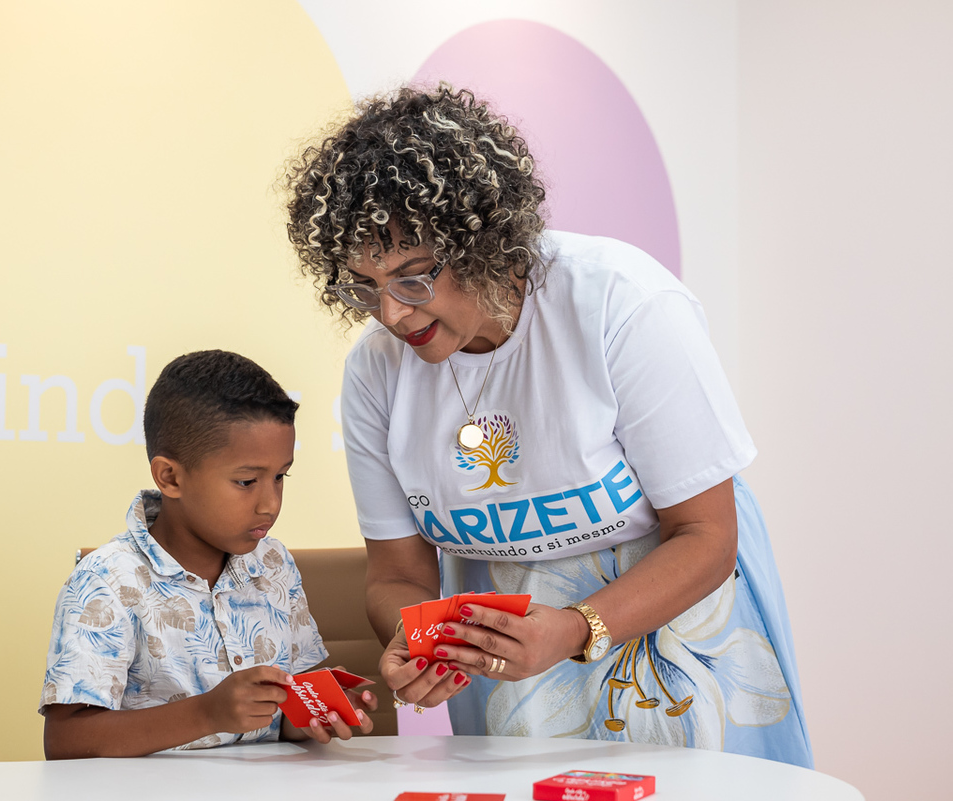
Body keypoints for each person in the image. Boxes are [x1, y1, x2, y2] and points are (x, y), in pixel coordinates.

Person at [282, 84, 812, 767]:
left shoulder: (622, 305)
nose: (391, 313)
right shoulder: (376, 372)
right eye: (362, 286)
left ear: (481, 238)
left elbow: (708, 536)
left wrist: (577, 627)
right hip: (516, 676)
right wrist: (413, 644)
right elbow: (397, 575)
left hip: (680, 642)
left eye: (414, 278)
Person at [39, 350, 376, 758]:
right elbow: (66, 743)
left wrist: (319, 709)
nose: (270, 503)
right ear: (171, 477)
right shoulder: (107, 581)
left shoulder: (274, 564)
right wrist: (207, 713)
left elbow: (284, 715)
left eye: (280, 477)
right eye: (246, 481)